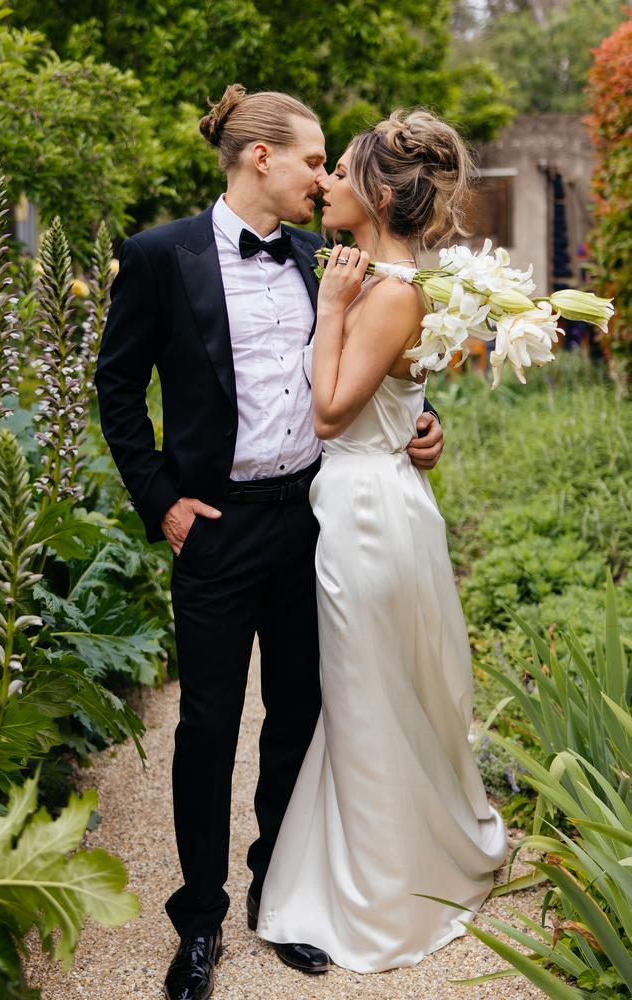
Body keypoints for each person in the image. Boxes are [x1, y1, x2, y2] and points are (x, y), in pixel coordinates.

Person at [94, 85, 444, 1000]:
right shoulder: (159, 256)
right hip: (213, 528)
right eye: (312, 160)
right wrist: (162, 503)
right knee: (208, 726)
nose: (323, 177)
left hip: (310, 522)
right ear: (261, 159)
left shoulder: (322, 257)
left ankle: (276, 897)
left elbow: (373, 367)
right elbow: (117, 389)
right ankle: (199, 921)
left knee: (298, 716)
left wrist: (424, 420)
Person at [255, 110, 508, 973]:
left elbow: (330, 411)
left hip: (362, 513)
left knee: (365, 700)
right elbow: (394, 401)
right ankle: (401, 861)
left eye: (340, 170)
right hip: (383, 500)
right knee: (381, 694)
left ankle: (380, 893)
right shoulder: (394, 283)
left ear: (376, 193)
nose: (324, 183)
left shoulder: (389, 289)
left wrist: (330, 304)